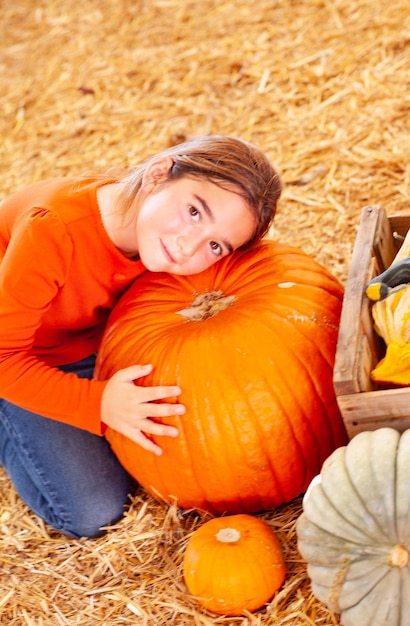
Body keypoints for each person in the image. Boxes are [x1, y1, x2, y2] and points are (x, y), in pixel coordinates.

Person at [0, 135, 282, 538]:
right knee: (93, 508)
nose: (189, 245)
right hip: (18, 353)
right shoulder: (54, 230)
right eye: (194, 211)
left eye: (216, 245)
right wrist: (96, 403)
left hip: (88, 341)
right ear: (158, 174)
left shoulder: (160, 235)